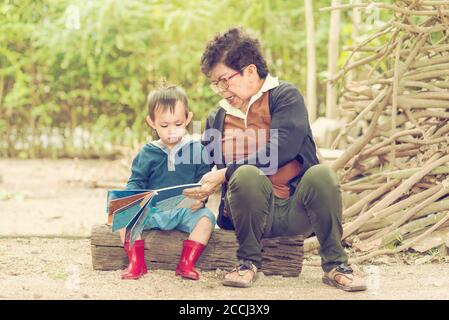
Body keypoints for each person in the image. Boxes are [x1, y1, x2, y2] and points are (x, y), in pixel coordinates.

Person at [183, 28, 366, 291]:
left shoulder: (285, 97)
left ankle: (336, 265)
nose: (221, 90)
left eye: (224, 80)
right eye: (216, 84)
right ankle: (247, 263)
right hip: (246, 215)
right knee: (245, 175)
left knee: (322, 175)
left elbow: (283, 149)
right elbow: (201, 163)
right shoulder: (218, 117)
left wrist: (225, 173)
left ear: (249, 71)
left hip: (295, 212)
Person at [118, 85, 216, 280]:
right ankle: (136, 263)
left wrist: (201, 198)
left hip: (185, 209)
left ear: (188, 118)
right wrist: (131, 199)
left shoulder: (197, 150)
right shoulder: (148, 152)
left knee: (207, 219)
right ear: (152, 123)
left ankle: (186, 263)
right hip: (152, 211)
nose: (172, 131)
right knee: (122, 216)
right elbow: (136, 182)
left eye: (178, 123)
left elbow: (205, 181)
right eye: (164, 126)